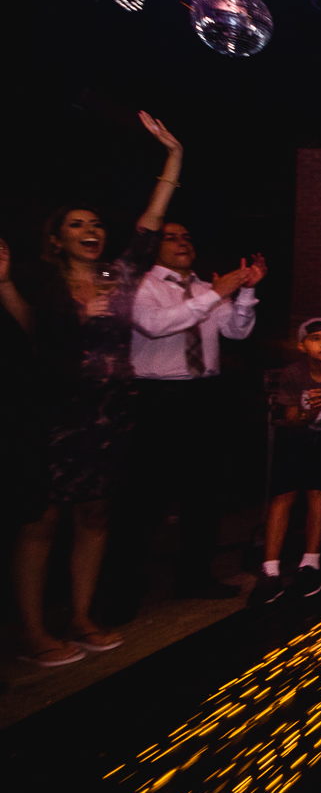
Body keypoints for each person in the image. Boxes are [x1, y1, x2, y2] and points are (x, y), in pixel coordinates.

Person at [1, 112, 183, 665]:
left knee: (96, 517)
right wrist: (6, 285)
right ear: (57, 239)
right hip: (56, 416)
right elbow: (31, 333)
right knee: (41, 523)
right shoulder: (42, 281)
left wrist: (174, 156)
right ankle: (33, 632)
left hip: (110, 417)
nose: (91, 230)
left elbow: (151, 220)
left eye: (97, 224)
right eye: (78, 224)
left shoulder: (119, 276)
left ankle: (81, 617)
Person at [113, 222, 265, 606]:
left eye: (187, 237)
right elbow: (154, 326)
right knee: (146, 496)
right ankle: (123, 585)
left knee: (205, 493)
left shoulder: (205, 287)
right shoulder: (142, 284)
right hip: (157, 397)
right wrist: (216, 293)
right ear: (154, 246)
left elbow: (237, 331)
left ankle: (195, 578)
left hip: (205, 396)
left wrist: (246, 291)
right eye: (171, 237)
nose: (183, 242)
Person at [251, 319, 321, 606]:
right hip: (298, 438)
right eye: (315, 339)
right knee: (284, 494)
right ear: (302, 346)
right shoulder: (294, 372)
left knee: (318, 490)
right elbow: (291, 420)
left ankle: (310, 564)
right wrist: (310, 413)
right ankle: (270, 570)